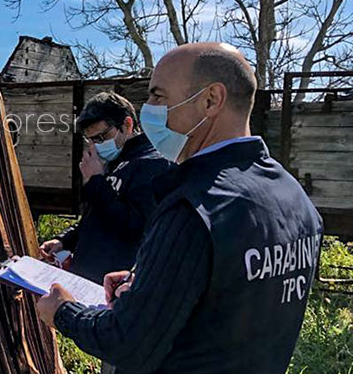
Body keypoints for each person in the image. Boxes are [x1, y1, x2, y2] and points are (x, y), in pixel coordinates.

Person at [36, 43, 323, 374]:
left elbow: (125, 341)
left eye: (159, 96)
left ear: (210, 100)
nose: (150, 109)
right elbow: (231, 293)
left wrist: (63, 310)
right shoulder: (293, 196)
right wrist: (151, 278)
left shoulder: (195, 208)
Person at [39, 92, 172, 285]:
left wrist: (95, 181)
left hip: (112, 286)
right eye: (90, 140)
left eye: (102, 137)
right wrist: (65, 240)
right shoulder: (112, 162)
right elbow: (95, 218)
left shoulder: (153, 165)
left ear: (127, 125)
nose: (96, 145)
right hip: (86, 278)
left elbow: (134, 228)